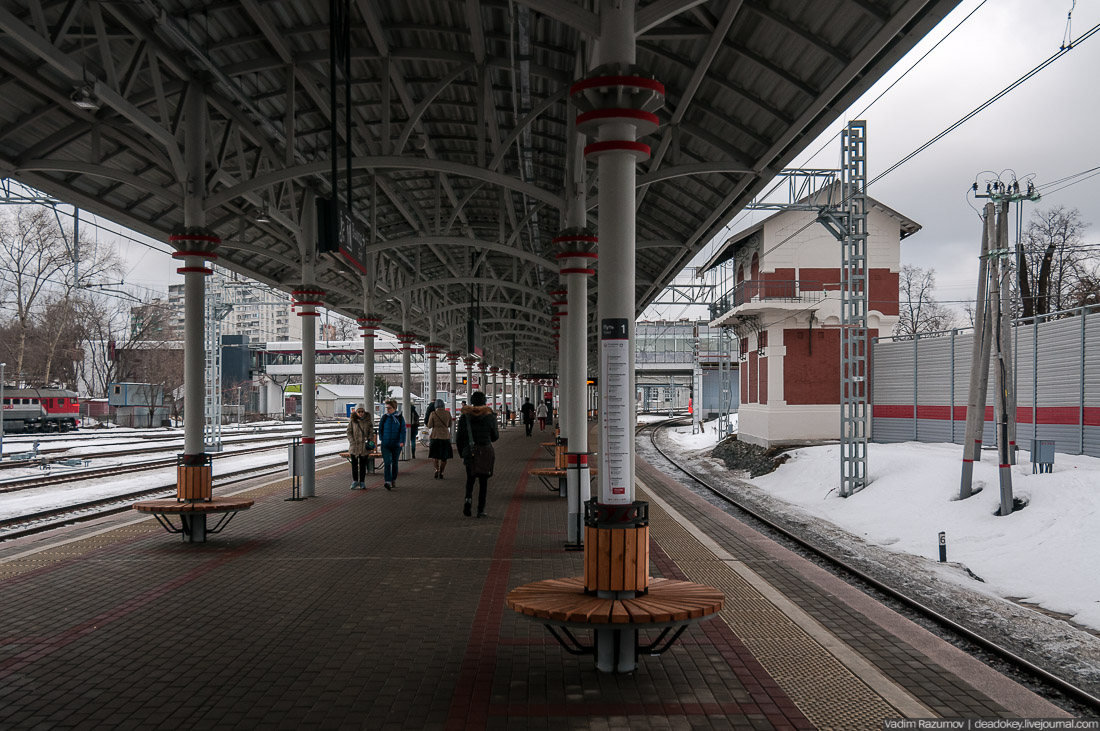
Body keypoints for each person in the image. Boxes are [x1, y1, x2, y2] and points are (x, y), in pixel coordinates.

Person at [455, 391, 499, 518]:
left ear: (471, 401)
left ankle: (468, 501)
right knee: (483, 482)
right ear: (484, 401)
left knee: (470, 479)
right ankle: (481, 509)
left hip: (470, 451)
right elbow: (495, 436)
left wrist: (462, 453)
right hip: (485, 451)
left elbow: (459, 438)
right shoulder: (490, 417)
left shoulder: (465, 417)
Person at [377, 398, 406, 489]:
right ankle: (387, 481)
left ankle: (393, 479)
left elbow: (403, 431)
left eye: (389, 408)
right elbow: (380, 429)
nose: (387, 410)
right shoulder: (384, 417)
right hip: (385, 444)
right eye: (387, 408)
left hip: (396, 444)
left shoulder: (400, 418)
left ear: (394, 408)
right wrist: (382, 438)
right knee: (387, 462)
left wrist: (402, 441)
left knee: (394, 463)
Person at [345, 403, 375, 490]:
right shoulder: (352, 421)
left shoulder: (368, 421)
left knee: (363, 465)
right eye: (359, 411)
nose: (361, 413)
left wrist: (369, 439)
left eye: (362, 411)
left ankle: (362, 481)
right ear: (356, 412)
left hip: (364, 446)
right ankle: (355, 481)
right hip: (354, 446)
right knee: (354, 465)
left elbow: (371, 432)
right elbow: (349, 432)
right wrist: (352, 441)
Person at [426, 399, 453, 479]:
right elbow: (450, 424)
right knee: (444, 457)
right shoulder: (448, 413)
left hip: (435, 436)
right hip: (445, 437)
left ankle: (437, 470)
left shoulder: (433, 413)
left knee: (435, 456)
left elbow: (429, 425)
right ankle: (441, 472)